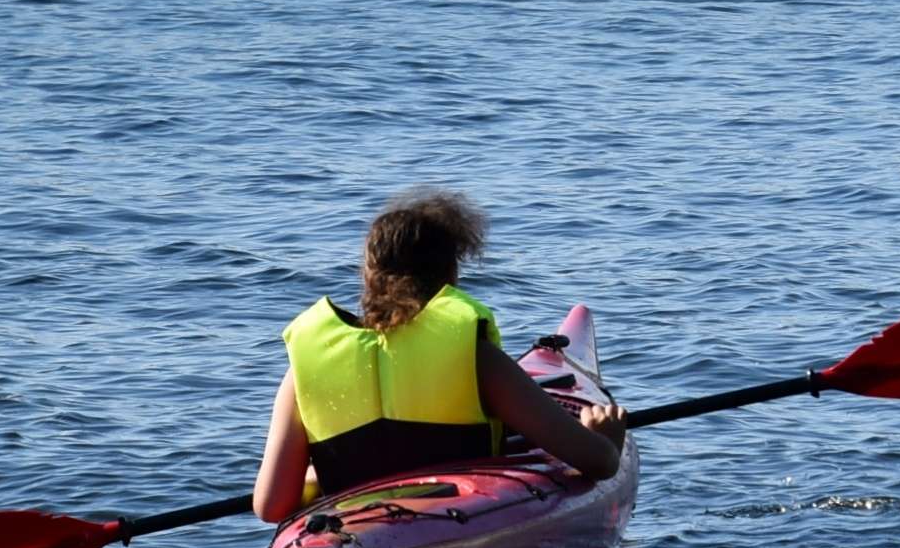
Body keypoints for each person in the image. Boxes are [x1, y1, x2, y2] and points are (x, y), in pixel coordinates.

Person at [252, 188, 627, 522]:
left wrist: (315, 480)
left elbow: (271, 507)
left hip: (354, 524)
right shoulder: (475, 358)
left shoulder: (301, 374)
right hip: (460, 521)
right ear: (450, 275)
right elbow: (597, 463)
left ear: (367, 275)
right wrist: (607, 439)